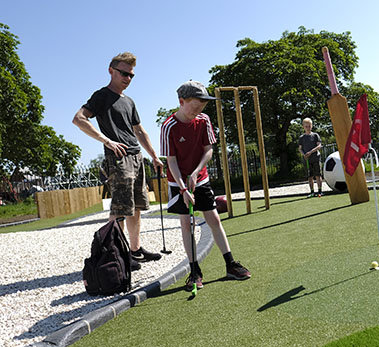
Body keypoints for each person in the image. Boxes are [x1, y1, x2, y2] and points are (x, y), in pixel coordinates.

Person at [73, 52, 163, 271]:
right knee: (120, 209)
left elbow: (139, 130)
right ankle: (117, 255)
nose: (128, 78)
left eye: (131, 75)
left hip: (137, 157)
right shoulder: (101, 96)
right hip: (119, 158)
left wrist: (153, 155)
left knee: (137, 207)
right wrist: (106, 141)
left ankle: (135, 250)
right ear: (111, 71)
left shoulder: (129, 101)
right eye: (124, 73)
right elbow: (78, 119)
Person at [161, 81, 251, 290]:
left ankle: (230, 264)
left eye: (203, 105)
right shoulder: (168, 127)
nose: (199, 109)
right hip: (177, 180)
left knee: (213, 217)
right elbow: (171, 161)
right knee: (186, 223)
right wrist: (183, 188)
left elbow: (208, 150)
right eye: (195, 105)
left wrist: (195, 173)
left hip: (199, 177)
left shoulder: (204, 120)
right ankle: (194, 271)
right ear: (182, 102)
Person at [298, 118, 323, 197]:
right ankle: (312, 192)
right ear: (303, 127)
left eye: (309, 126)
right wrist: (304, 154)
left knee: (318, 175)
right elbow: (300, 149)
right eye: (306, 126)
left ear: (311, 126)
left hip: (315, 158)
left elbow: (319, 145)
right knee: (310, 176)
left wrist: (311, 152)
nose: (308, 128)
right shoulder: (301, 138)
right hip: (307, 160)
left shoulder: (315, 135)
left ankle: (320, 191)